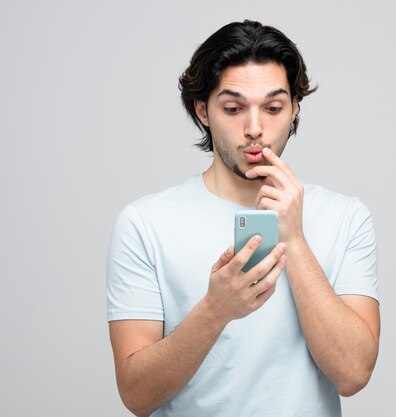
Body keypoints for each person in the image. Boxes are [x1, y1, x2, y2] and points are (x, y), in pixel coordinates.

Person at [107, 20, 380, 417]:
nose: (255, 129)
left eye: (273, 108)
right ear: (203, 110)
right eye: (233, 108)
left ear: (294, 109)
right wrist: (215, 310)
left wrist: (295, 239)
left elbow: (353, 373)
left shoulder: (346, 217)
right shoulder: (145, 224)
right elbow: (136, 395)